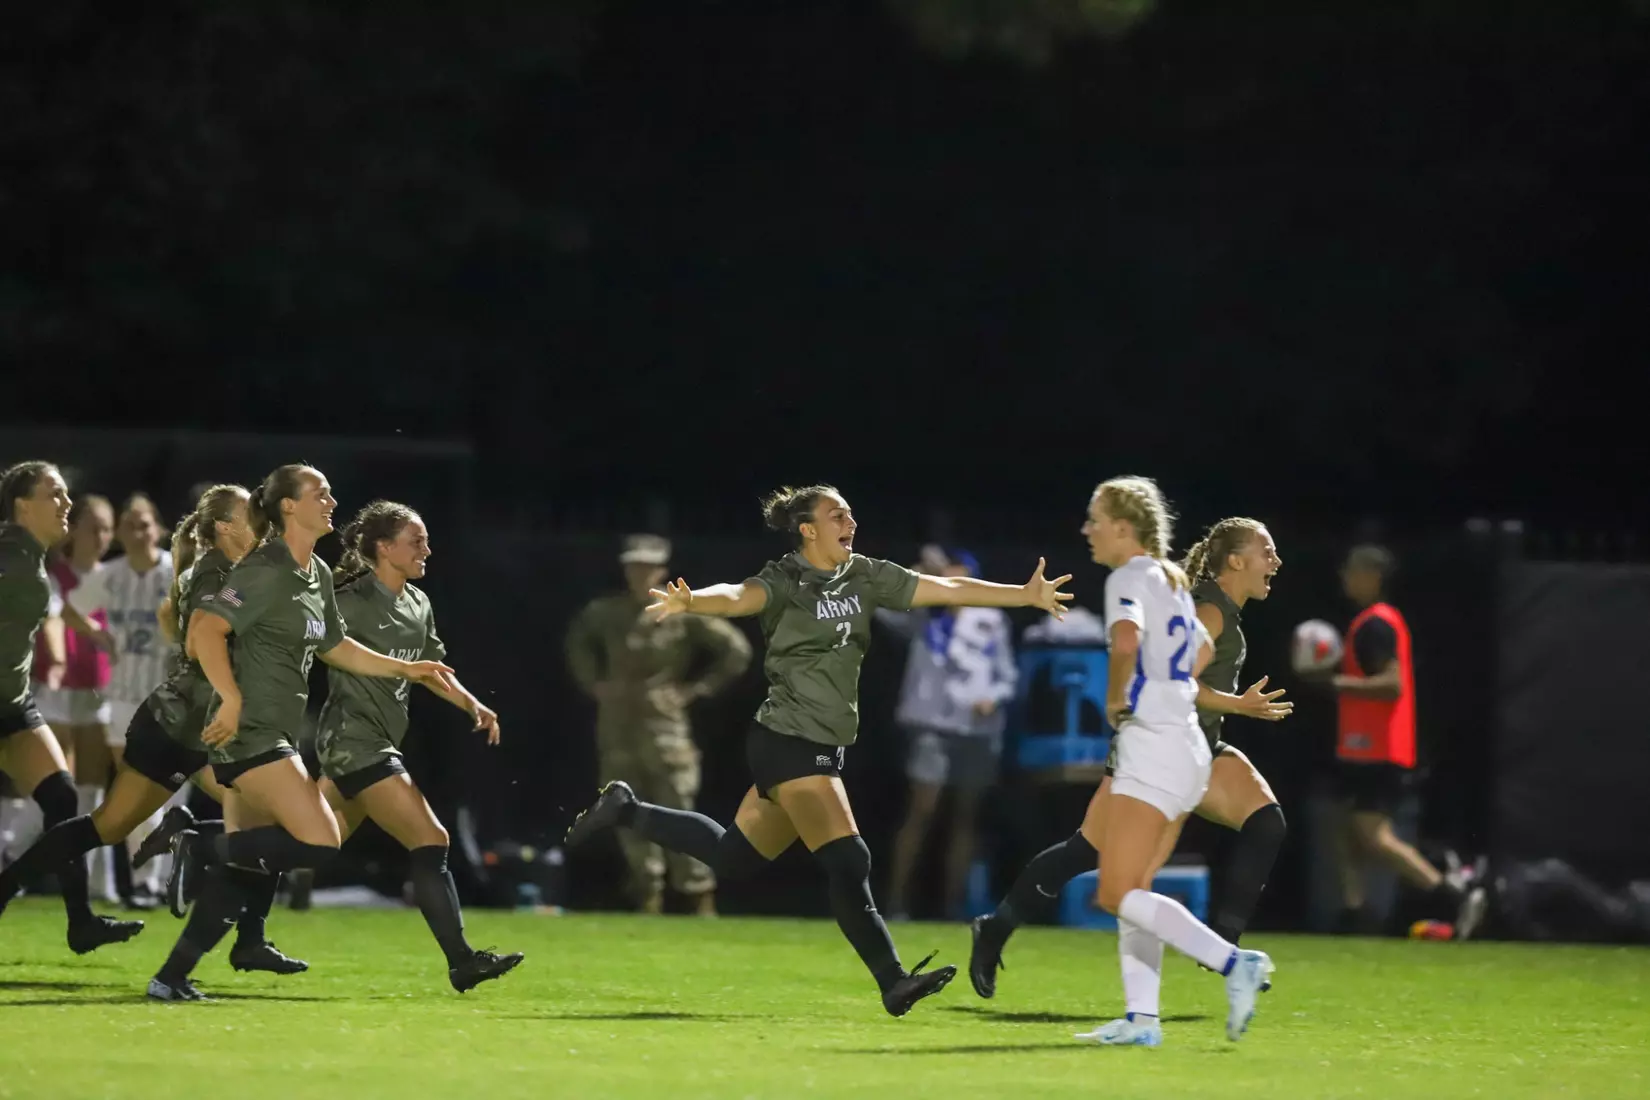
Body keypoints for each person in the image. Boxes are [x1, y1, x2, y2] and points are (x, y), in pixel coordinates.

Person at [565, 484, 1073, 1017]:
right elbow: (740, 597)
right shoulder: (787, 579)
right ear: (808, 529)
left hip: (819, 745)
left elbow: (946, 587)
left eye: (850, 513)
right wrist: (692, 600)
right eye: (837, 515)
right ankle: (893, 980)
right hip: (787, 740)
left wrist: (1023, 594)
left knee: (731, 858)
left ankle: (627, 809)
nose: (849, 521)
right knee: (849, 858)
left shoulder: (867, 575)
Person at [149, 465, 455, 1001]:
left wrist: (405, 668)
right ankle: (198, 843)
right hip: (251, 734)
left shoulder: (314, 571)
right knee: (319, 839)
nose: (332, 501)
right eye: (320, 493)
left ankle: (170, 977)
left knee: (246, 867)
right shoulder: (265, 568)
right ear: (288, 506)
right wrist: (234, 696)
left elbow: (336, 646)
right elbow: (203, 631)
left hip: (270, 732)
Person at [986, 477, 1274, 1047]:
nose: (1087, 529)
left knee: (1115, 892)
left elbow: (1122, 643)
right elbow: (1203, 649)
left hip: (1154, 745)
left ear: (1124, 526)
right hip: (1187, 745)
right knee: (1133, 888)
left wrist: (1119, 697)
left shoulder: (1128, 577)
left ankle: (1234, 962)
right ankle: (1142, 1020)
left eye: (1095, 518)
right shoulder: (1169, 576)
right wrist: (1169, 682)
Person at [0, 485, 305, 970]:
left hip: (197, 724)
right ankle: (201, 863)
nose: (263, 521)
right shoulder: (217, 578)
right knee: (111, 822)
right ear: (226, 527)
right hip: (184, 725)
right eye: (253, 514)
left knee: (253, 819)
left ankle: (247, 934)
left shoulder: (232, 573)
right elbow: (207, 627)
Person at [313, 499, 523, 992]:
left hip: (378, 739)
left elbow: (431, 670)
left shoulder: (416, 603)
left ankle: (206, 842)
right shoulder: (350, 600)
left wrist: (472, 705)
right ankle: (462, 960)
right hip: (354, 741)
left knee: (308, 844)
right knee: (432, 841)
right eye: (416, 541)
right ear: (384, 548)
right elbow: (321, 644)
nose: (427, 549)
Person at [566, 533, 753, 915]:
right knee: (623, 806)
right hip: (618, 724)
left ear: (662, 570)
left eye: (648, 566)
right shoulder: (606, 612)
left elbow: (735, 651)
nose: (640, 573)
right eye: (634, 566)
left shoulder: (679, 611)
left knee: (677, 804)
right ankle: (646, 893)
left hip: (664, 726)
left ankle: (699, 895)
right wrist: (593, 682)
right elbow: (577, 642)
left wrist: (695, 689)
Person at [0, 461, 142, 953]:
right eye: (54, 495)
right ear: (22, 505)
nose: (66, 504)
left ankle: (79, 922)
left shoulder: (32, 557)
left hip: (13, 706)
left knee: (63, 802)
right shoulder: (8, 554)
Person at [1331, 544, 1486, 939]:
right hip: (1365, 744)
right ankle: (1354, 912)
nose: (1345, 579)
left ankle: (1453, 893)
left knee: (1373, 835)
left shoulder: (1376, 624)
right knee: (1349, 832)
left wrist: (1332, 683)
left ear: (1372, 576)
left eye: (1353, 571)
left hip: (1377, 746)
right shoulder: (1376, 621)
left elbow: (1392, 684)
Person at [875, 546, 1018, 921]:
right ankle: (895, 902)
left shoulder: (990, 619)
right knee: (922, 808)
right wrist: (915, 572)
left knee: (965, 816)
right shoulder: (922, 615)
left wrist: (994, 697)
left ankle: (954, 906)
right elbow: (879, 603)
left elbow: (1007, 675)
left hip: (976, 728)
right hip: (930, 726)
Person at [61, 493, 178, 905]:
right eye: (128, 524)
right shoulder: (110, 575)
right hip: (124, 698)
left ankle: (161, 878)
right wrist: (98, 635)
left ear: (158, 529)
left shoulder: (177, 570)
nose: (137, 532)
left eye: (144, 523)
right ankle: (147, 881)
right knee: (135, 792)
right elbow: (71, 609)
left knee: (160, 794)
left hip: (173, 700)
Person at [29, 494, 117, 896]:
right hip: (53, 688)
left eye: (106, 528)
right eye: (92, 526)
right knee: (49, 782)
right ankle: (17, 863)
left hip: (99, 691)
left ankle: (95, 881)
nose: (100, 536)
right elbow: (52, 623)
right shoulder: (53, 575)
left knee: (92, 786)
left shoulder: (114, 577)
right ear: (74, 529)